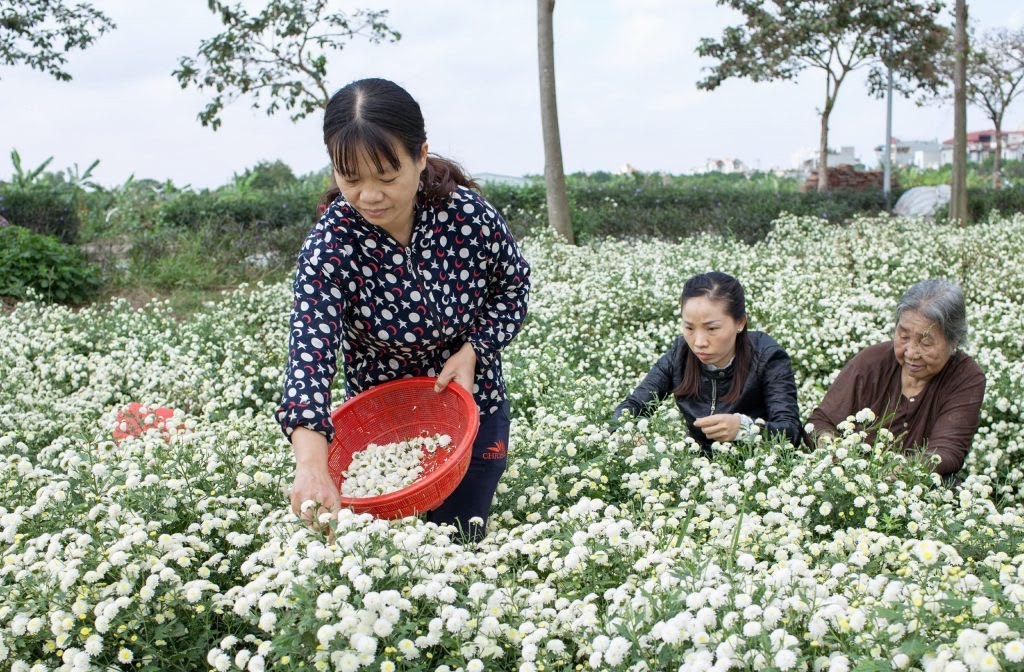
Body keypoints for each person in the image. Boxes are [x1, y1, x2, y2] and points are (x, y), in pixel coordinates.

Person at [275, 77, 531, 540]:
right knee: (398, 564)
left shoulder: (466, 216)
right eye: (350, 179)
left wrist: (474, 351)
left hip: (475, 403)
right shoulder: (332, 246)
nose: (369, 196)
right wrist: (312, 465)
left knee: (460, 541)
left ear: (421, 155)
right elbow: (309, 354)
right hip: (385, 433)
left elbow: (513, 288)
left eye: (387, 177)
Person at [805, 279, 985, 480]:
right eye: (904, 336)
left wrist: (890, 475)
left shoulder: (966, 377)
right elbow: (821, 421)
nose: (911, 352)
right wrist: (835, 450)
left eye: (925, 342)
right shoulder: (872, 362)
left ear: (954, 341)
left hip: (920, 490)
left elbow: (945, 452)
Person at [614, 271, 802, 454]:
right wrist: (627, 432)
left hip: (758, 467)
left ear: (740, 322)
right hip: (695, 468)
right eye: (689, 327)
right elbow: (632, 405)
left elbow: (791, 430)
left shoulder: (767, 356)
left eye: (712, 328)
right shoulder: (680, 354)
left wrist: (745, 429)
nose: (699, 342)